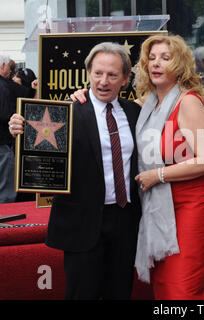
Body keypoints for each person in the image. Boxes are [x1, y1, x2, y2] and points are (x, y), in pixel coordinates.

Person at [72, 34, 204, 300]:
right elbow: (103, 103)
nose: (157, 64)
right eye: (151, 58)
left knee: (184, 286)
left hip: (191, 203)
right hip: (158, 206)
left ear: (181, 64)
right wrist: (83, 94)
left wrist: (158, 175)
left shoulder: (187, 101)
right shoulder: (147, 104)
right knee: (163, 284)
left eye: (166, 58)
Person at [9, 42, 142, 299]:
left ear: (125, 79)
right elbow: (37, 158)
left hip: (126, 222)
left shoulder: (135, 112)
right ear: (88, 74)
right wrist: (20, 131)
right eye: (98, 73)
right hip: (82, 223)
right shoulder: (65, 112)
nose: (104, 81)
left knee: (121, 293)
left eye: (112, 75)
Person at [0, 52, 17, 203]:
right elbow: (7, 114)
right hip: (2, 144)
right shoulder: (4, 87)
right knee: (5, 191)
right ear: (3, 66)